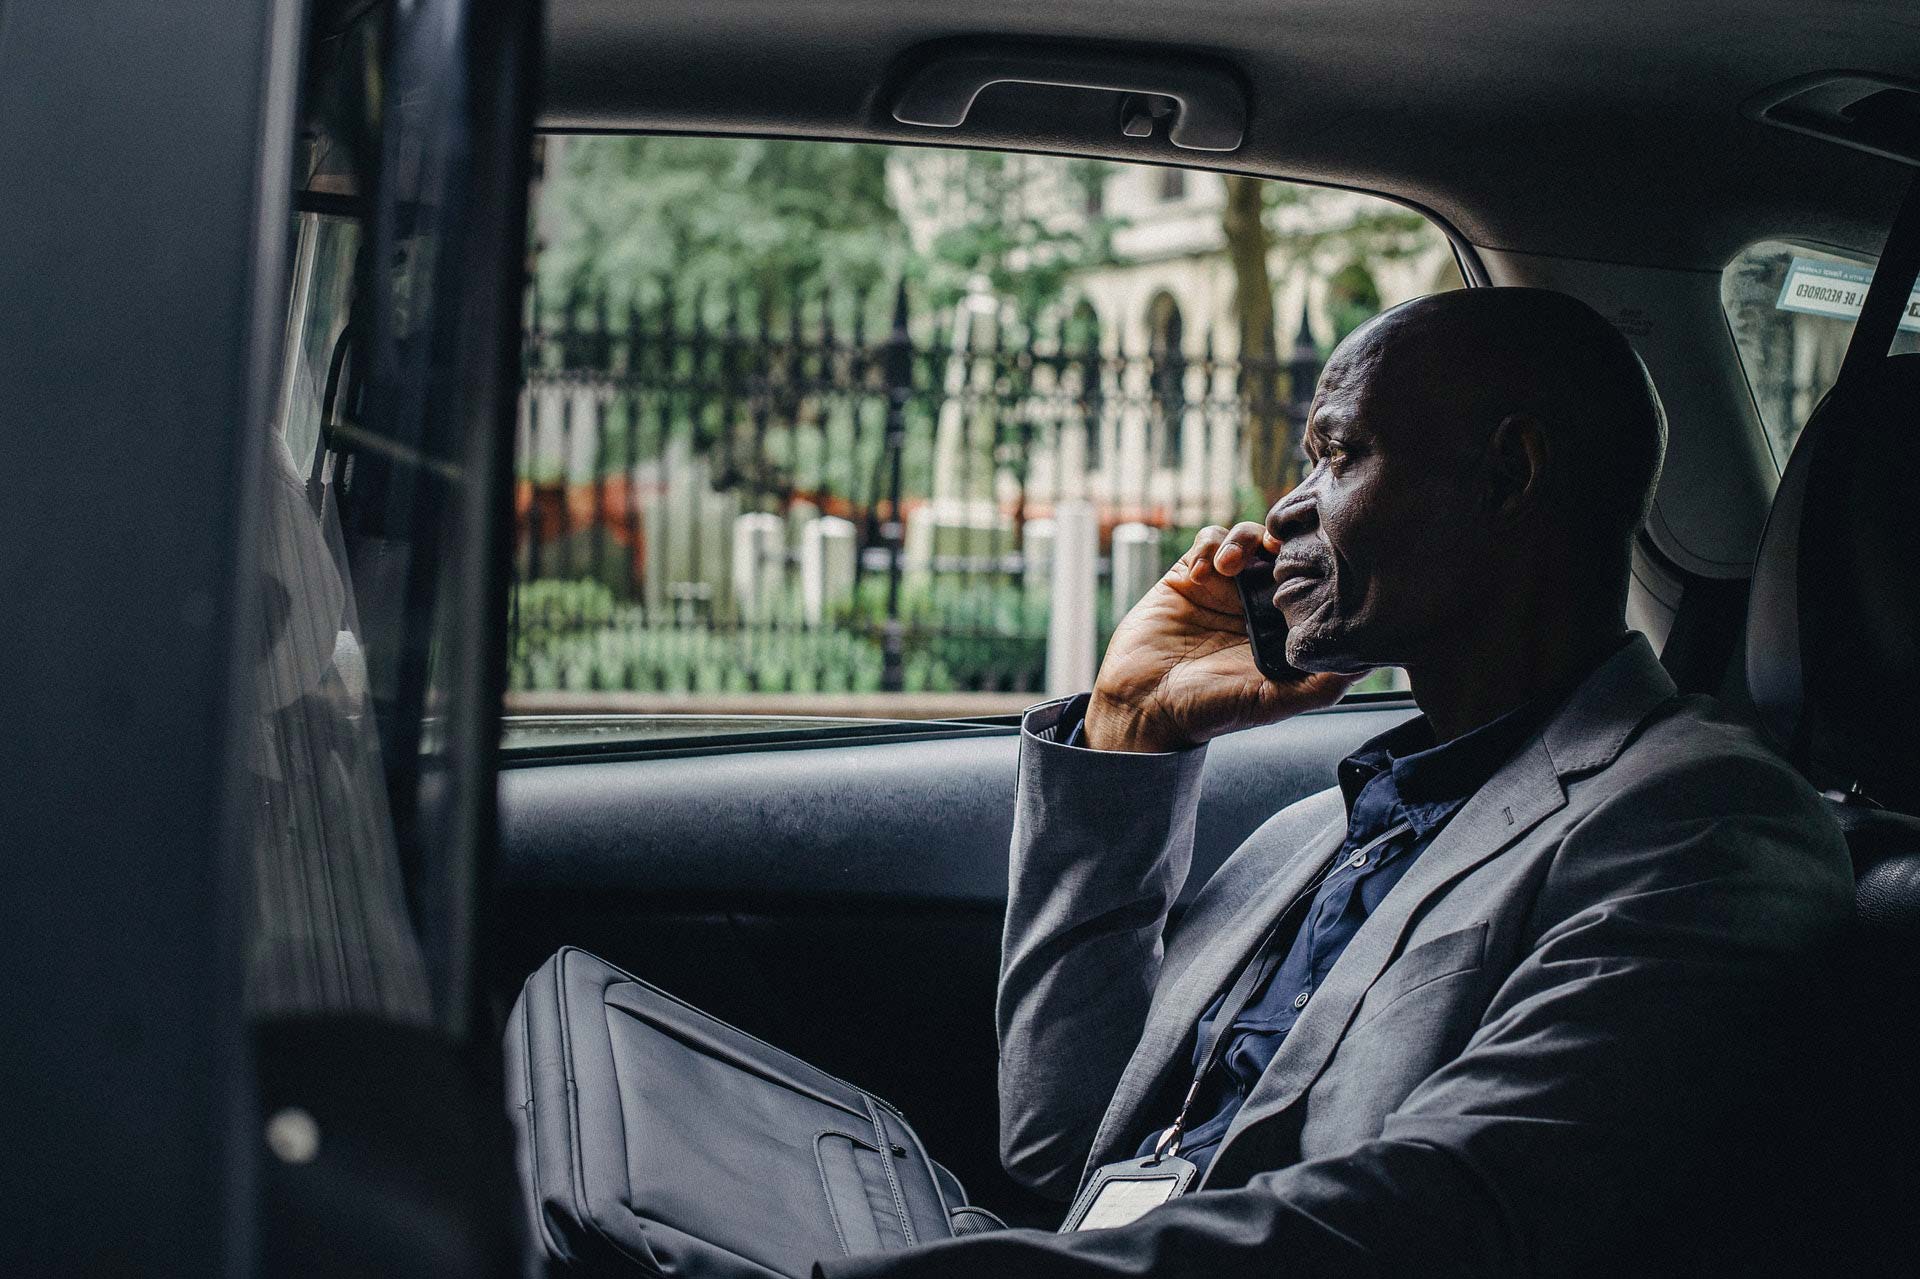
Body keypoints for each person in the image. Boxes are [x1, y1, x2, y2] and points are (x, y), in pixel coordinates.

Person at [815, 288, 1852, 1277]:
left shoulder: (1706, 826)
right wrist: (1129, 728)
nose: (1286, 511)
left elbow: (1444, 1219)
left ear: (1509, 475)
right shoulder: (1314, 830)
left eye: (1340, 455)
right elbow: (1059, 1139)